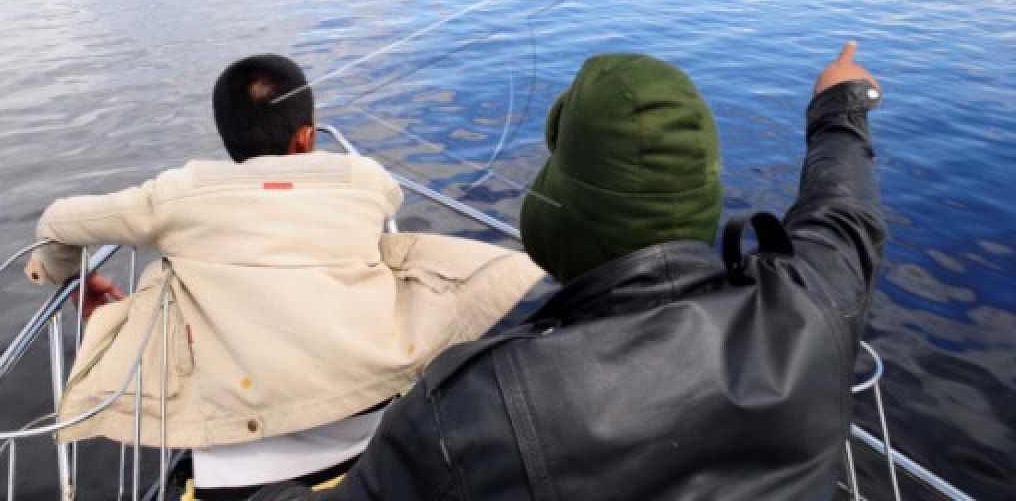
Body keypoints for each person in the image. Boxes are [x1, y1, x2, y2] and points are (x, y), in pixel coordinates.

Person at [251, 42, 886, 500]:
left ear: (572, 212)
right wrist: (840, 105)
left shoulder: (472, 407)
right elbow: (843, 209)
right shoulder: (814, 305)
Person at [24, 54, 545, 498]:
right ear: (308, 137)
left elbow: (58, 221)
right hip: (375, 456)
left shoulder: (176, 196)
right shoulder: (364, 181)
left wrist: (73, 278)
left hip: (236, 479)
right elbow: (385, 195)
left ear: (227, 137)